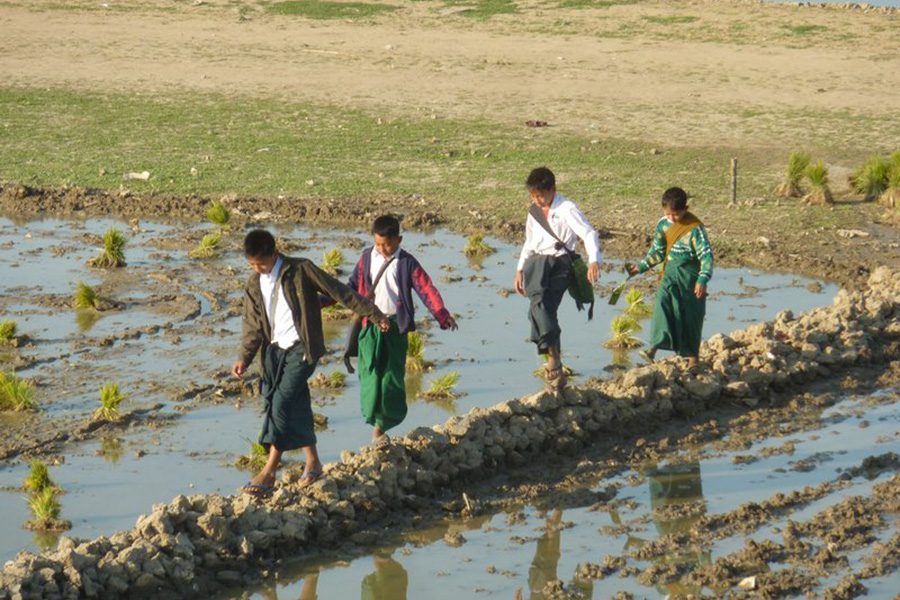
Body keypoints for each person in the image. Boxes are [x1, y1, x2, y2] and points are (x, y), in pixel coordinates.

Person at [232, 229, 389, 497]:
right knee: (291, 401)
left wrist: (373, 314)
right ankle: (313, 461)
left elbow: (339, 291)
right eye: (252, 264)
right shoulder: (253, 284)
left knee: (281, 403)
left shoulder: (301, 269)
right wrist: (244, 358)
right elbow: (253, 325)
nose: (258, 268)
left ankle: (269, 471)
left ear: (275, 253)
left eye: (261, 263)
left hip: (302, 349)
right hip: (273, 352)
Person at [349, 215, 458, 448]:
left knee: (391, 376)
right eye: (378, 243)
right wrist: (321, 301)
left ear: (398, 239)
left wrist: (442, 314)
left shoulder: (407, 262)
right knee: (369, 373)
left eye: (387, 244)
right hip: (370, 327)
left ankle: (380, 428)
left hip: (396, 328)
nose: (382, 248)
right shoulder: (366, 258)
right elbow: (349, 288)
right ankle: (372, 416)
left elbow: (425, 288)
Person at [514, 167, 602, 390]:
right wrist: (520, 269)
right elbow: (529, 242)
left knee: (544, 305)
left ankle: (554, 358)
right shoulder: (533, 212)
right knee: (537, 308)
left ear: (552, 189)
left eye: (541, 195)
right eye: (534, 196)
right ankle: (556, 363)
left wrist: (594, 261)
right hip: (537, 264)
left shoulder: (566, 208)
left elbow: (588, 233)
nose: (538, 200)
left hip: (561, 264)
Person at [627, 187, 713, 368]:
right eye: (667, 214)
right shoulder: (663, 225)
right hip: (670, 274)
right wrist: (641, 267)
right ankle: (653, 347)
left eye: (676, 214)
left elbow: (706, 256)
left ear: (685, 209)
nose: (671, 218)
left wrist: (702, 279)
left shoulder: (695, 229)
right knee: (662, 306)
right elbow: (657, 251)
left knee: (690, 315)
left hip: (690, 277)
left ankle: (693, 359)